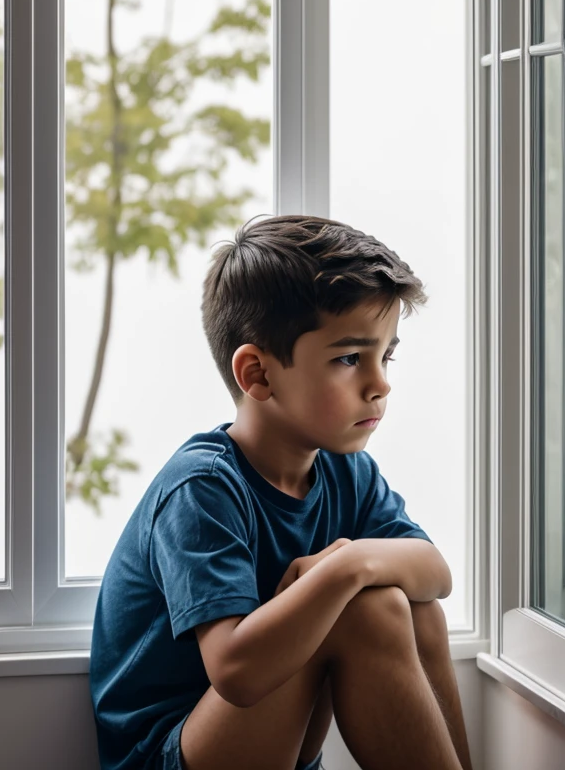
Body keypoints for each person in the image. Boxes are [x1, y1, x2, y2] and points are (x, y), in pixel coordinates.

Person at [90, 214, 474, 770]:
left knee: (413, 608)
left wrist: (352, 561)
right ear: (258, 375)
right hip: (173, 754)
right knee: (365, 609)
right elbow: (236, 673)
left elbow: (435, 574)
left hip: (265, 743)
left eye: (386, 355)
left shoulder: (347, 471)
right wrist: (341, 573)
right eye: (349, 359)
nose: (381, 384)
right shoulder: (202, 487)